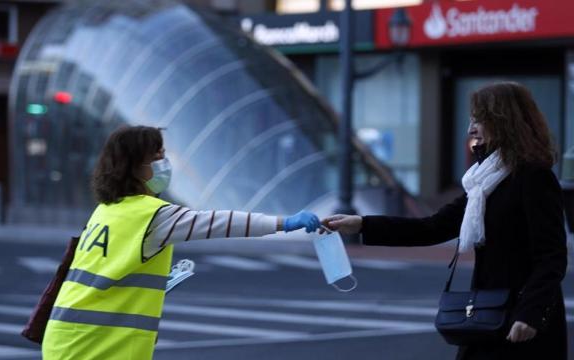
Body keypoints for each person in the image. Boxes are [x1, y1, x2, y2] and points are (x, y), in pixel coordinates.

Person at [322, 82, 568, 360]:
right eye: (472, 119)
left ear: (504, 121)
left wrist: (530, 314)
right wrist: (363, 224)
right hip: (487, 313)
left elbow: (552, 256)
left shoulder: (533, 177)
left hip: (522, 321)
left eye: (480, 119)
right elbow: (432, 227)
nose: (471, 128)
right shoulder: (483, 183)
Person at [41, 126, 320, 360]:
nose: (166, 161)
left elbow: (109, 272)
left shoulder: (107, 209)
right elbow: (219, 222)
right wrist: (284, 223)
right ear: (135, 166)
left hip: (68, 337)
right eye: (158, 155)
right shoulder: (151, 214)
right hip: (97, 344)